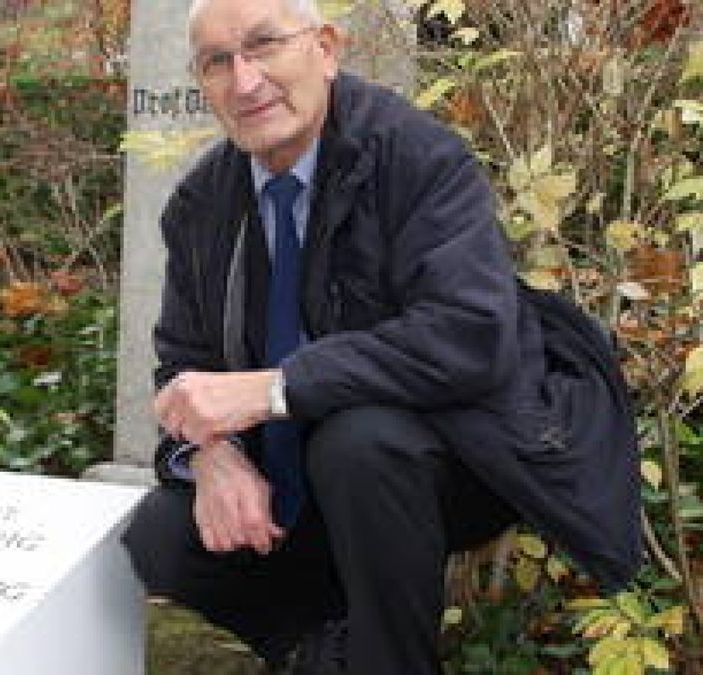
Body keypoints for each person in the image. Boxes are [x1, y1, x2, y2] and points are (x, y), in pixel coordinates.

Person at [121, 1, 641, 673]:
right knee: (160, 535)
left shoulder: (417, 157)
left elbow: (470, 334)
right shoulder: (203, 201)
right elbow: (182, 364)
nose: (244, 81)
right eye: (218, 62)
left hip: (447, 458)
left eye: (264, 46)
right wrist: (212, 453)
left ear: (327, 49)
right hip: (297, 474)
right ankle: (320, 648)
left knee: (359, 443)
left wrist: (278, 387)